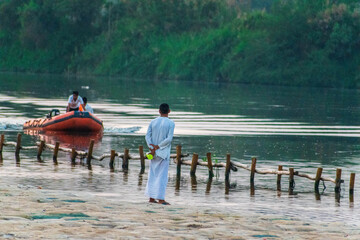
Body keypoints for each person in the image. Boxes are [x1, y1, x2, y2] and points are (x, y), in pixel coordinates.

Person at [145, 103, 175, 205]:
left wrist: (151, 147)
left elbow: (147, 136)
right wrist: (158, 147)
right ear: (169, 111)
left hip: (153, 153)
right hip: (163, 153)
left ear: (159, 111)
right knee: (162, 176)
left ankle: (151, 198)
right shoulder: (171, 123)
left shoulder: (153, 122)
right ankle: (161, 199)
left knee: (152, 174)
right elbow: (169, 139)